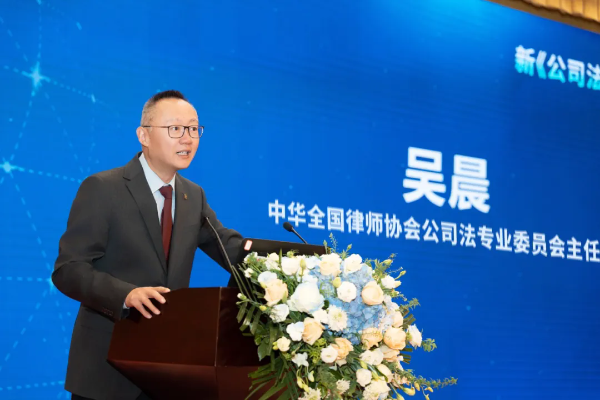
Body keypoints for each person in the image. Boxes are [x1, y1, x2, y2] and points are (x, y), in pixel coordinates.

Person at [52, 90, 244, 400]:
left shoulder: (193, 196)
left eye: (194, 129)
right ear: (144, 135)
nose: (187, 138)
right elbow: (69, 270)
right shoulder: (103, 188)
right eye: (175, 128)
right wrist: (125, 295)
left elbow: (230, 248)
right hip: (106, 372)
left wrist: (291, 264)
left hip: (166, 372)